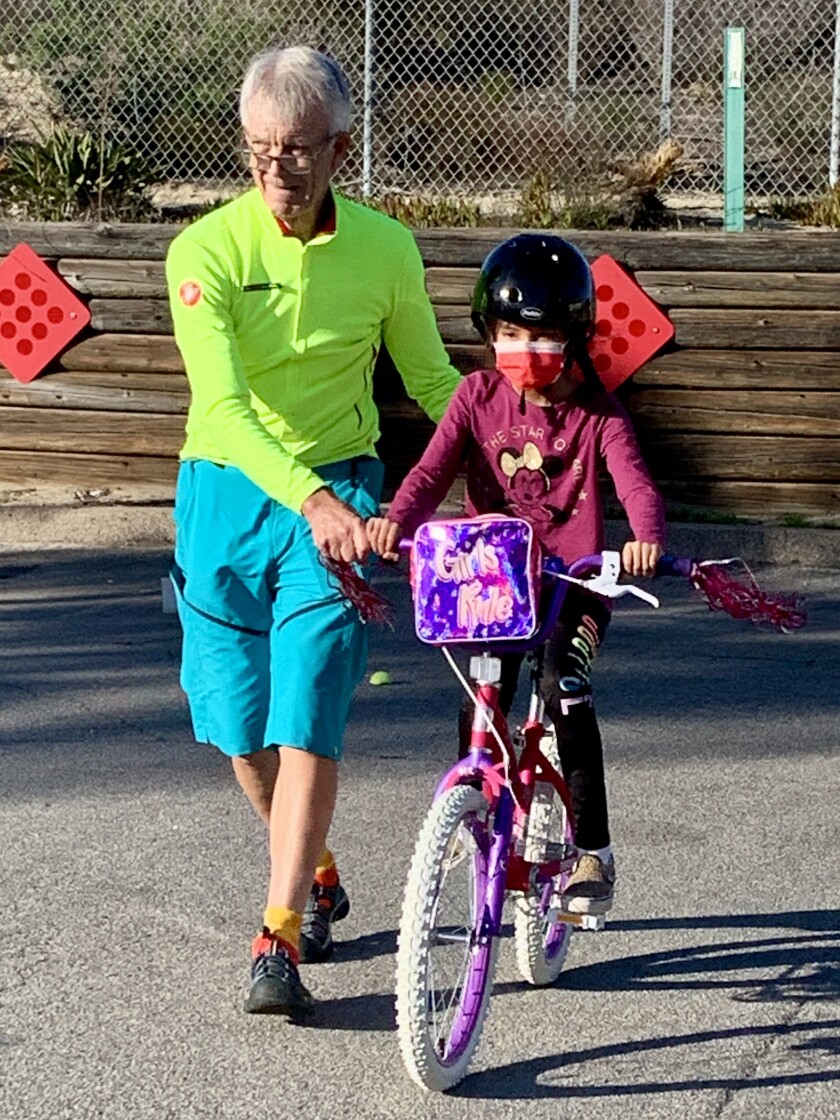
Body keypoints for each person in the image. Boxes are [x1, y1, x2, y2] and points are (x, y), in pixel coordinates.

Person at [165, 46, 461, 1018]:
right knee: (240, 731)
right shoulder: (202, 253)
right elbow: (227, 404)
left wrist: (520, 452)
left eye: (296, 151)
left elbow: (431, 384)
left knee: (305, 713)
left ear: (342, 147)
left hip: (342, 496)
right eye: (258, 151)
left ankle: (280, 932)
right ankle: (322, 870)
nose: (276, 172)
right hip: (225, 497)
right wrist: (306, 497)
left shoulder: (386, 247)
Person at [367, 234, 666, 914]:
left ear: (575, 337)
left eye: (542, 336)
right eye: (507, 333)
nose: (523, 350)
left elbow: (637, 486)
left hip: (578, 583)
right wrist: (398, 521)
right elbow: (428, 474)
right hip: (494, 582)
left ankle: (593, 850)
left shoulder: (598, 415)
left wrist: (645, 539)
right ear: (487, 331)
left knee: (565, 686)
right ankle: (479, 807)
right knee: (482, 693)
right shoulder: (475, 397)